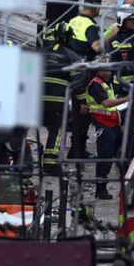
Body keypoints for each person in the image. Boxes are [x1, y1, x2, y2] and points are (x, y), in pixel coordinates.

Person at [65, 0, 103, 160]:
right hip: (83, 76)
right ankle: (77, 152)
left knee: (77, 113)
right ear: (96, 7)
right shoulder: (90, 26)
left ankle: (75, 150)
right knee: (84, 113)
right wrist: (111, 34)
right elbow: (96, 48)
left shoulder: (74, 20)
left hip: (70, 74)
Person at [40, 27, 80, 176]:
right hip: (57, 101)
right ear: (69, 38)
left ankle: (23, 161)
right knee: (56, 131)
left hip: (36, 101)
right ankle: (50, 164)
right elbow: (78, 82)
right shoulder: (71, 56)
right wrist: (81, 102)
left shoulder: (42, 52)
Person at [86, 66, 130, 199]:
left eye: (110, 70)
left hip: (113, 124)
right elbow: (106, 103)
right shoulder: (95, 84)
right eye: (107, 70)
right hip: (103, 124)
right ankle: (100, 189)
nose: (110, 73)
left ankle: (127, 185)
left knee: (122, 156)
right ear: (99, 71)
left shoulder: (106, 83)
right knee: (105, 158)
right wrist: (127, 98)